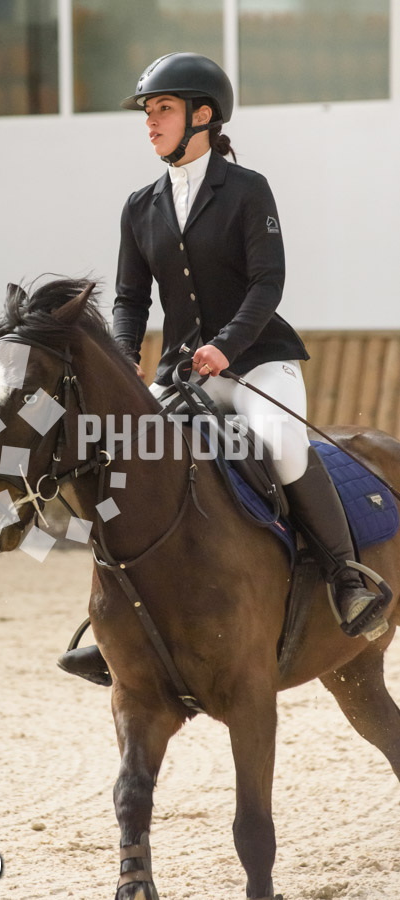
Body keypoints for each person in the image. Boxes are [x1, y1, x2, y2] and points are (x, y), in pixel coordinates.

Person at [58, 52, 387, 686]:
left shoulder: (246, 190)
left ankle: (347, 577)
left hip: (257, 361)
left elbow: (268, 283)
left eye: (163, 109)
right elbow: (130, 299)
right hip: (183, 373)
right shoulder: (140, 206)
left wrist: (226, 347)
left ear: (202, 116)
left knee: (280, 443)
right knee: (123, 458)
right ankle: (113, 619)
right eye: (148, 112)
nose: (150, 122)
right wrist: (125, 359)